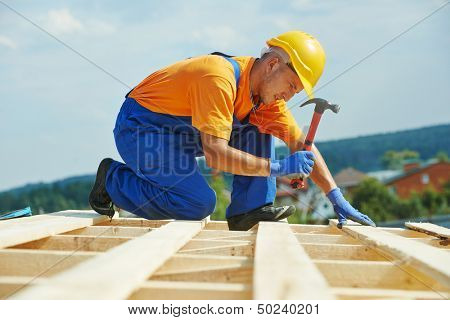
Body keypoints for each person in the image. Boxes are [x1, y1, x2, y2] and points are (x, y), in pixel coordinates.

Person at [89, 30, 376, 230]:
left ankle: (249, 210)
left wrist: (335, 195)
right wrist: (277, 166)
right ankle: (112, 180)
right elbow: (215, 154)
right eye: (291, 86)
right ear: (273, 64)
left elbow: (303, 146)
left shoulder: (265, 98)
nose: (289, 96)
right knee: (197, 204)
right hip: (141, 128)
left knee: (260, 124)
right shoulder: (218, 78)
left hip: (183, 135)